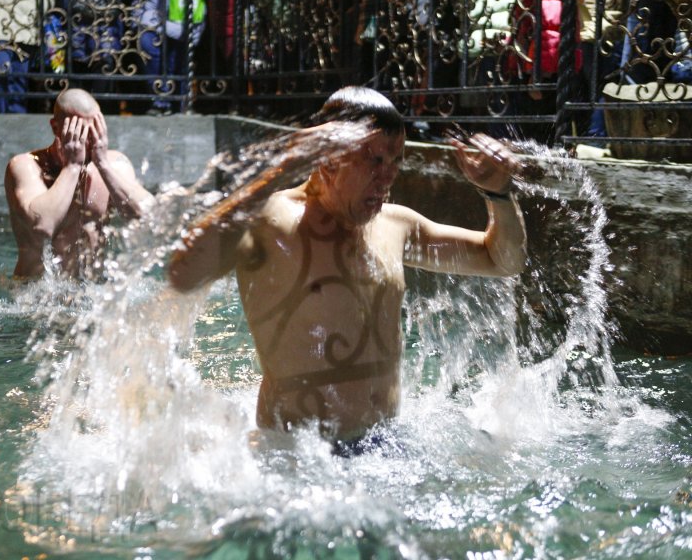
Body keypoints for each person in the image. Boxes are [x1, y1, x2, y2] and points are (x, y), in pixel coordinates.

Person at [167, 87, 527, 449]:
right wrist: (287, 165)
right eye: (372, 160)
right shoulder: (272, 219)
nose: (386, 177)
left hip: (385, 446)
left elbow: (501, 260)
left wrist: (499, 195)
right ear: (328, 157)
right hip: (299, 457)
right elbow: (184, 272)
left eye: (395, 161)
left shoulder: (395, 225)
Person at [5, 88, 155, 279]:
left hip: (92, 295)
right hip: (34, 297)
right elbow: (42, 228)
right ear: (55, 127)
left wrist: (103, 165)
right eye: (79, 131)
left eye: (93, 131)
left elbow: (150, 220)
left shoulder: (115, 164)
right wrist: (72, 167)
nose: (86, 141)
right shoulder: (26, 166)